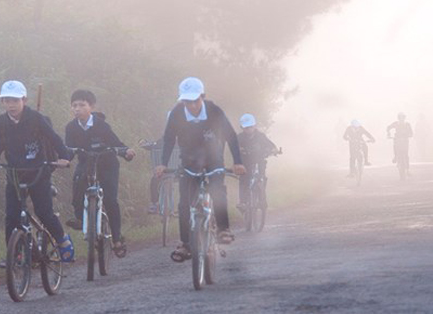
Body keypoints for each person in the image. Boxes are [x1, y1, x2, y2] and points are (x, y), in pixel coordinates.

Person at [0, 80, 74, 268]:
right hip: (15, 173)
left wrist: (65, 157)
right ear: (2, 102)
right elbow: (0, 142)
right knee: (12, 216)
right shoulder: (1, 121)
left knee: (43, 212)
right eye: (6, 100)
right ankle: (14, 255)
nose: (11, 105)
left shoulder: (36, 118)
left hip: (38, 171)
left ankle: (63, 240)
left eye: (15, 100)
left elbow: (54, 138)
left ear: (24, 100)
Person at [155, 77, 246, 262]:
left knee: (218, 191)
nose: (192, 105)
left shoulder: (213, 110)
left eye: (195, 100)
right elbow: (169, 139)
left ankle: (223, 229)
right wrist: (163, 163)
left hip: (213, 159)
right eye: (187, 101)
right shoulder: (177, 113)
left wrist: (237, 162)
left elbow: (230, 136)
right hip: (189, 161)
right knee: (184, 203)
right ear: (182, 101)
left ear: (202, 97)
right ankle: (185, 244)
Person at [65, 89, 135, 258]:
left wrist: (126, 151)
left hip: (107, 165)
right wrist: (62, 159)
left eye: (82, 105)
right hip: (85, 164)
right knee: (77, 193)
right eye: (74, 105)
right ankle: (82, 220)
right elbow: (67, 150)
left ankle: (117, 239)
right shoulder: (71, 127)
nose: (77, 109)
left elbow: (116, 143)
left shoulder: (101, 125)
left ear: (92, 107)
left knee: (110, 200)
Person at [236, 113, 278, 209]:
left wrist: (274, 150)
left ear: (254, 126)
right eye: (246, 128)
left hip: (259, 161)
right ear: (242, 128)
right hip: (246, 162)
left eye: (250, 127)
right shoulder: (239, 137)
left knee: (261, 178)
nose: (248, 130)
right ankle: (243, 202)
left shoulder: (261, 136)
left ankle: (262, 200)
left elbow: (271, 145)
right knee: (243, 179)